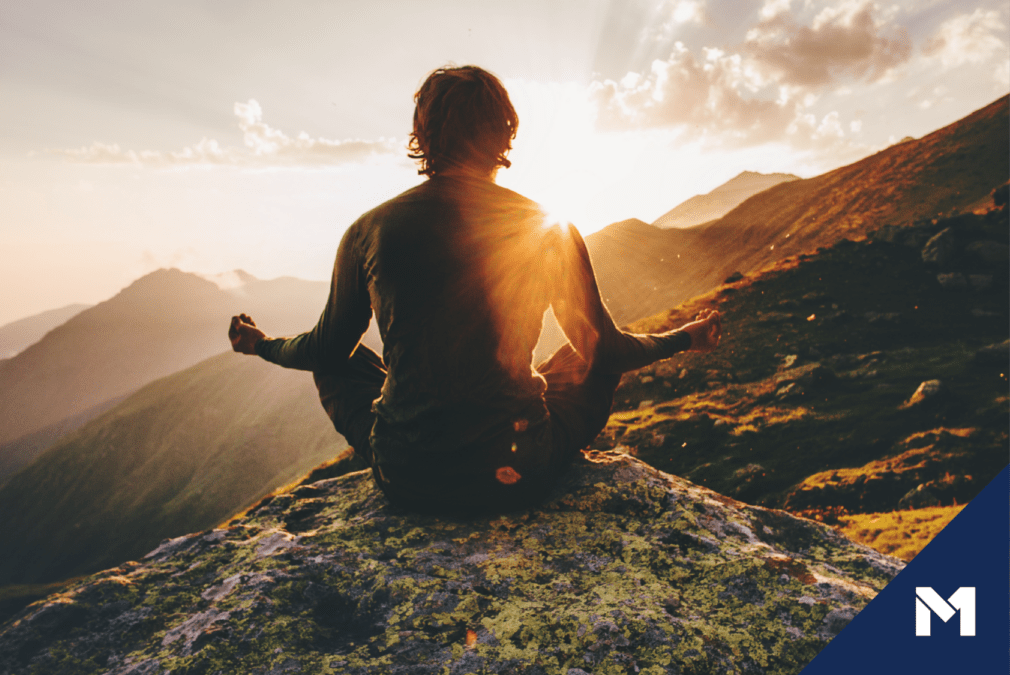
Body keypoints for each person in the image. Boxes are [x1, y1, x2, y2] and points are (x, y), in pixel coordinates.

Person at [229, 65, 721, 514]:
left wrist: (262, 345)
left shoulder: (369, 229)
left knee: (341, 360)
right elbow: (607, 352)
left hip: (407, 478)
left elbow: (323, 349)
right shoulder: (547, 227)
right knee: (583, 358)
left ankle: (415, 433)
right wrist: (684, 337)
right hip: (517, 474)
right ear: (505, 132)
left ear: (422, 135)